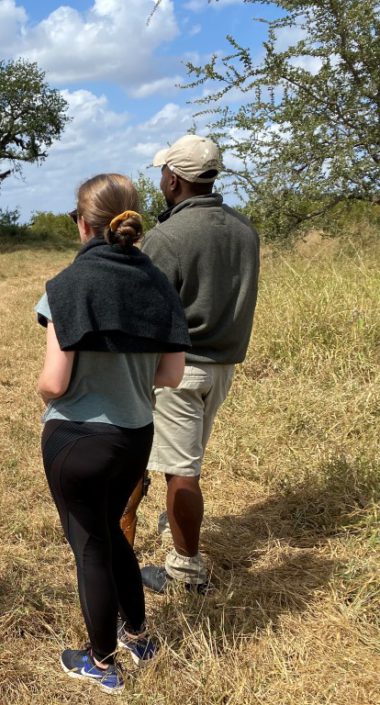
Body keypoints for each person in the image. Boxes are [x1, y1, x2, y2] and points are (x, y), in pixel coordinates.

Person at [36, 173, 189, 694]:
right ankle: (139, 634)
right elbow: (170, 377)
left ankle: (100, 662)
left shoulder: (65, 286)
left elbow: (54, 383)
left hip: (75, 439)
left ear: (82, 223)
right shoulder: (159, 287)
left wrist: (43, 392)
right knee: (112, 533)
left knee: (91, 546)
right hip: (135, 435)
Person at [139, 135, 260, 593]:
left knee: (181, 472)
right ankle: (177, 530)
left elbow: (143, 310)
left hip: (179, 369)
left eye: (163, 173)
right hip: (223, 366)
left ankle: (186, 571)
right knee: (187, 464)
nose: (161, 181)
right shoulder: (243, 228)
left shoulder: (167, 237)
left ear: (174, 178)